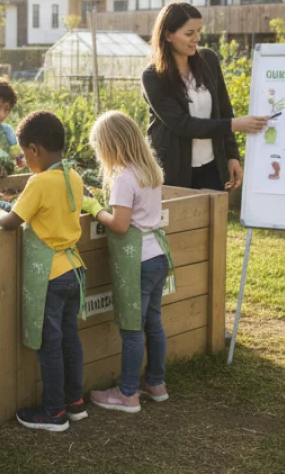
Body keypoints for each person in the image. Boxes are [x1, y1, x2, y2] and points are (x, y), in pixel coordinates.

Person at [0, 111, 86, 431]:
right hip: (75, 269)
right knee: (70, 339)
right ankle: (74, 402)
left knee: (49, 345)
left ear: (35, 150)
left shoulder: (39, 182)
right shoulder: (74, 176)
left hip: (50, 277)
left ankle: (54, 412)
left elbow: (12, 222)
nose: (24, 160)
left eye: (23, 153)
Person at [82, 111, 173, 413]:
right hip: (158, 256)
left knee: (132, 329)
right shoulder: (149, 170)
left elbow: (120, 225)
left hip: (138, 263)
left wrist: (94, 208)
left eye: (99, 148)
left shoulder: (123, 177)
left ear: (111, 145)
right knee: (153, 323)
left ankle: (127, 393)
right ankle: (156, 383)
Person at [141, 1, 268, 191]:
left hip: (211, 166)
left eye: (199, 31)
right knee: (180, 220)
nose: (197, 38)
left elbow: (224, 110)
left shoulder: (208, 60)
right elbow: (181, 124)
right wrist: (236, 124)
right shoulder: (152, 76)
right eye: (189, 33)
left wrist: (232, 155)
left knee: (213, 219)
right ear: (168, 35)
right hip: (173, 169)